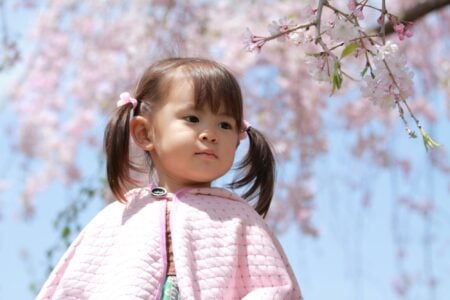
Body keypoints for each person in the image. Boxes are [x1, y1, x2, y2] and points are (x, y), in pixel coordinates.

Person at [37, 57, 302, 299]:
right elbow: (72, 289)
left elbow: (274, 290)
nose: (210, 134)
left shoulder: (239, 219)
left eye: (224, 124)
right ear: (145, 133)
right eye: (193, 118)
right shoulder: (119, 216)